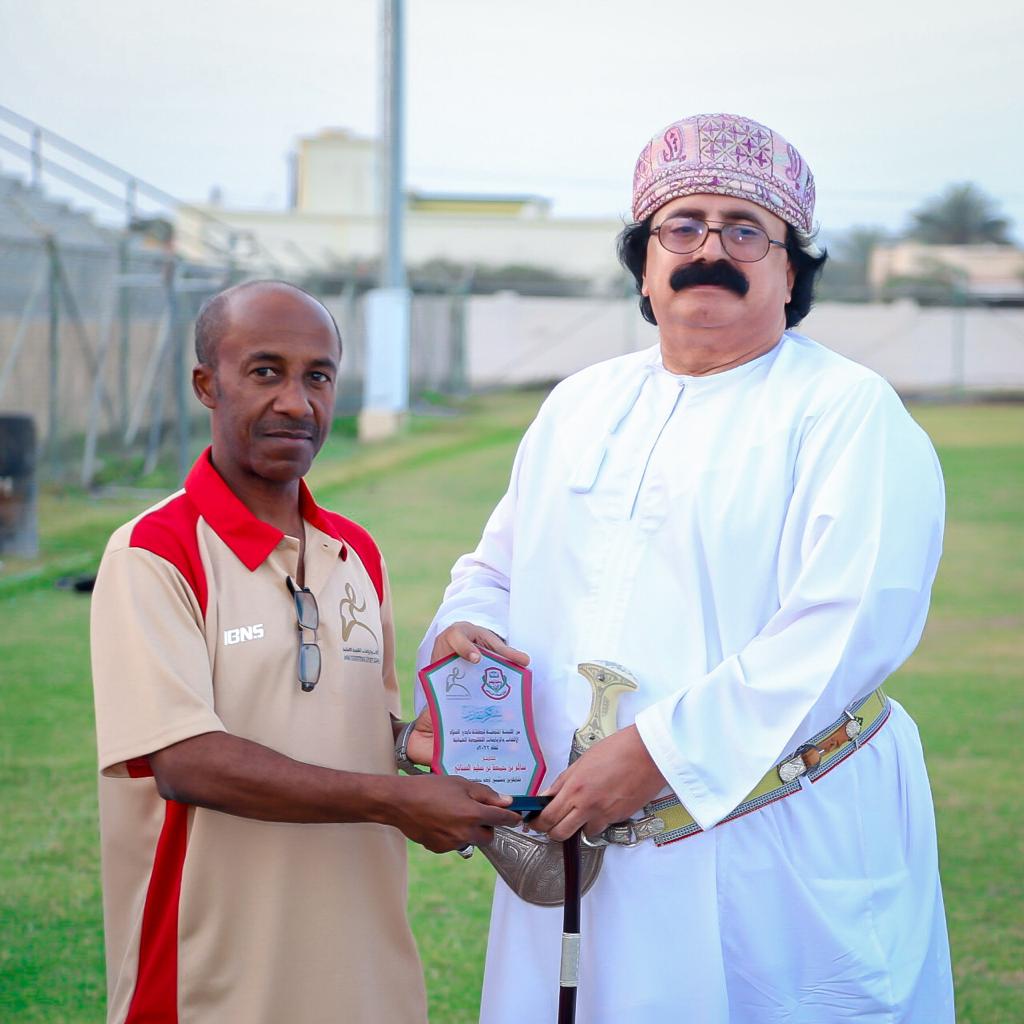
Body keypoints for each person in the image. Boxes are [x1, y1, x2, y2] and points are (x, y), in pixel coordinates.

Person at [415, 114, 956, 1022]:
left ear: (792, 272)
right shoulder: (580, 403)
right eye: (684, 226)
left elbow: (850, 621)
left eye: (746, 231)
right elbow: (494, 569)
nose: (711, 250)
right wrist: (467, 630)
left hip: (771, 834)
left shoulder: (846, 410)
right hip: (579, 832)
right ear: (644, 263)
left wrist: (659, 754)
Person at [89, 280, 520, 1024]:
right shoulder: (155, 553)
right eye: (266, 372)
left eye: (318, 376)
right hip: (212, 981)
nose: (296, 402)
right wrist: (398, 801)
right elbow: (186, 761)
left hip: (367, 973)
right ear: (206, 385)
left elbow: (358, 727)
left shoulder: (356, 551)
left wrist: (418, 743)